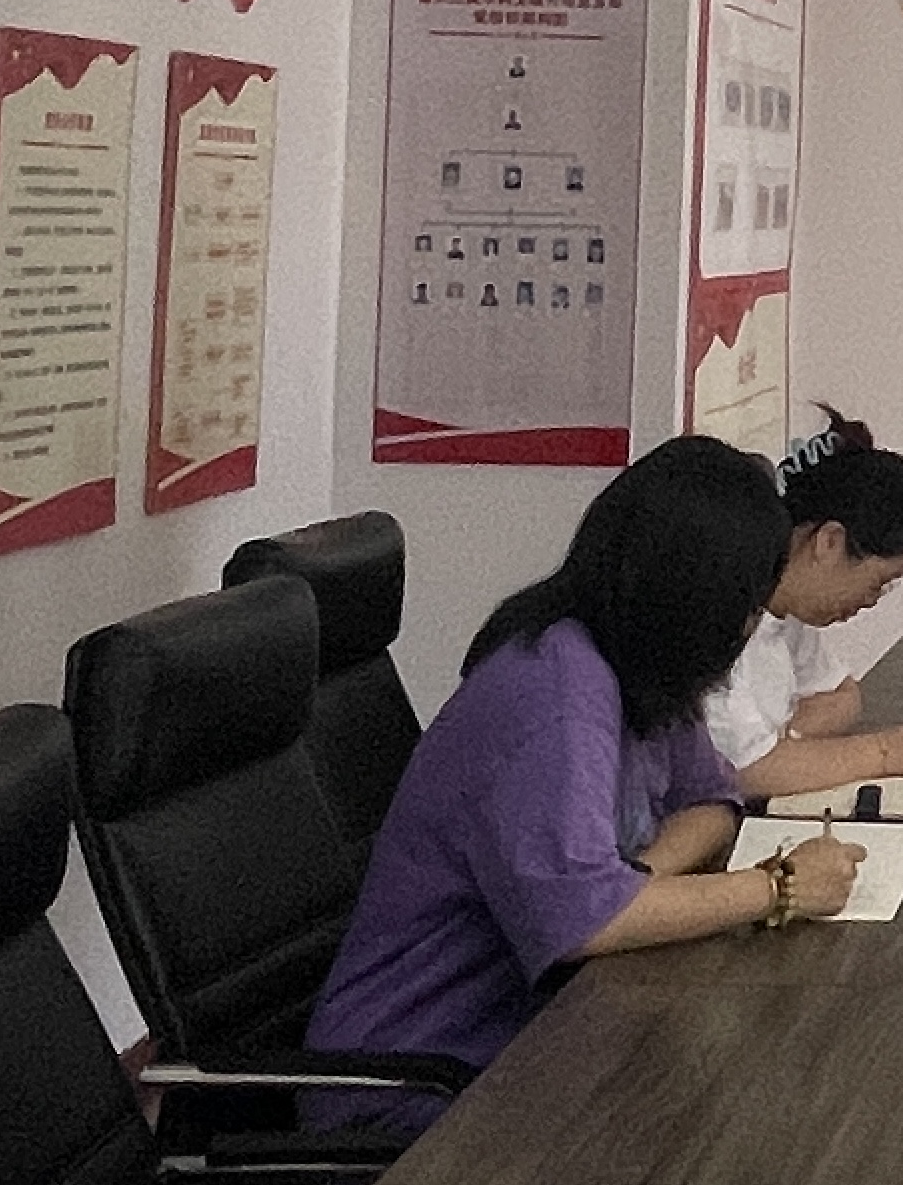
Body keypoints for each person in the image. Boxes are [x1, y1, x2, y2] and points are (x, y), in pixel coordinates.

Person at [313, 438, 858, 1097]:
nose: (746, 630)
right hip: (420, 1080)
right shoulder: (555, 692)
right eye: (745, 606)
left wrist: (637, 881)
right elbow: (587, 922)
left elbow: (713, 800)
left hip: (539, 1033)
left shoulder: (641, 666)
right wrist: (779, 888)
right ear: (695, 599)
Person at [699, 413, 903, 802]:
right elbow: (747, 772)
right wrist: (887, 753)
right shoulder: (725, 614)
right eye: (878, 582)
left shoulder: (787, 613)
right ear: (829, 541)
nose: (872, 600)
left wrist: (789, 745)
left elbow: (841, 696)